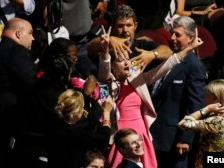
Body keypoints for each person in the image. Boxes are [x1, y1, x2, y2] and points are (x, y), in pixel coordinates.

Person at [98, 22, 203, 168]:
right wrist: (104, 53)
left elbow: (167, 65)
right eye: (121, 61)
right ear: (113, 65)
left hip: (141, 133)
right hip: (120, 135)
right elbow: (103, 76)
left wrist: (190, 48)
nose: (127, 63)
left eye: (128, 59)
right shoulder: (106, 84)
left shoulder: (138, 78)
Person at [149, 16, 207, 168]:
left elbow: (195, 105)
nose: (172, 37)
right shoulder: (167, 59)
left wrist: (185, 138)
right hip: (155, 134)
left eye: (178, 35)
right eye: (172, 33)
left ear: (191, 38)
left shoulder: (194, 66)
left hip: (174, 140)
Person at [0, 17, 35, 168]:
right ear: (18, 34)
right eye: (30, 33)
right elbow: (29, 83)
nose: (33, 38)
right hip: (12, 119)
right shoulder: (17, 51)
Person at [87, 4, 173, 73]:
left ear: (135, 26)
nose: (125, 30)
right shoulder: (108, 44)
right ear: (113, 27)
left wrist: (152, 54)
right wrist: (110, 40)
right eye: (120, 26)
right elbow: (90, 47)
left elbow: (168, 51)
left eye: (129, 25)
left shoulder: (141, 45)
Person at [178, 79, 224, 168]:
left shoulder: (216, 121)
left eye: (207, 95)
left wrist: (205, 109)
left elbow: (183, 123)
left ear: (216, 98)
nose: (204, 97)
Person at [45, 89, 113, 168]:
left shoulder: (53, 124)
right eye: (82, 108)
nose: (83, 110)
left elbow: (86, 119)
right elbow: (103, 139)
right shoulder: (76, 133)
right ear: (78, 110)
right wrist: (107, 114)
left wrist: (97, 105)